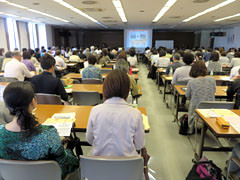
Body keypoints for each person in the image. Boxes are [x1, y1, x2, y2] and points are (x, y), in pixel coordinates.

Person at [0, 81, 79, 179]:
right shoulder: (48, 133)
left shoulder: (1, 132)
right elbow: (68, 164)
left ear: (7, 105)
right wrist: (68, 148)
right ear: (33, 101)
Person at [86, 70, 145, 156]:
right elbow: (140, 145)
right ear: (127, 90)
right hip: (127, 167)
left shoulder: (95, 111)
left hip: (98, 166)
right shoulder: (135, 114)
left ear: (105, 88)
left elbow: (89, 140)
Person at [186, 61, 216, 134]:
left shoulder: (191, 82)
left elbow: (187, 96)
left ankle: (191, 128)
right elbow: (213, 91)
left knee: (190, 103)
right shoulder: (212, 80)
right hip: (210, 108)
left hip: (196, 109)